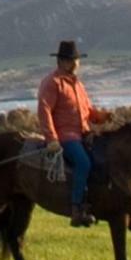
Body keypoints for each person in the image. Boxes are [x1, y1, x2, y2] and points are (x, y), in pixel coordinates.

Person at [38, 40, 112, 227]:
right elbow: (44, 110)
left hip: (84, 134)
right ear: (63, 61)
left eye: (77, 60)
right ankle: (76, 208)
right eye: (74, 60)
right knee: (83, 163)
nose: (77, 64)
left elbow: (87, 111)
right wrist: (52, 139)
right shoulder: (53, 83)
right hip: (66, 137)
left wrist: (102, 116)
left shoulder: (78, 85)